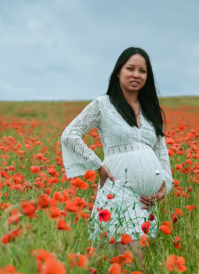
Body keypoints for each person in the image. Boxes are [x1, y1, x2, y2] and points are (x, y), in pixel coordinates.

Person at [60, 47, 173, 260]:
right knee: (132, 263)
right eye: (130, 68)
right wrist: (98, 165)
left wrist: (163, 187)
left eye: (142, 71)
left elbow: (161, 152)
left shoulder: (151, 110)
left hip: (146, 200)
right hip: (118, 190)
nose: (136, 75)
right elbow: (70, 134)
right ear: (118, 72)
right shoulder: (103, 105)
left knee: (136, 265)